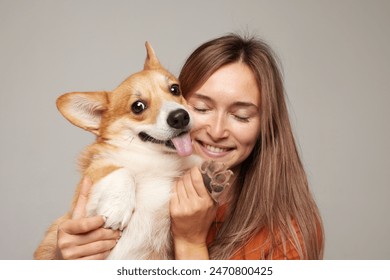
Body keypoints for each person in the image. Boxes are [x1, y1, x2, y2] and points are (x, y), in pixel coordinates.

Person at [44, 34, 324, 260]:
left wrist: (190, 242)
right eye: (201, 107)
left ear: (267, 123)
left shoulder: (288, 234)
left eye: (241, 115)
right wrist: (63, 262)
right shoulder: (123, 174)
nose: (216, 132)